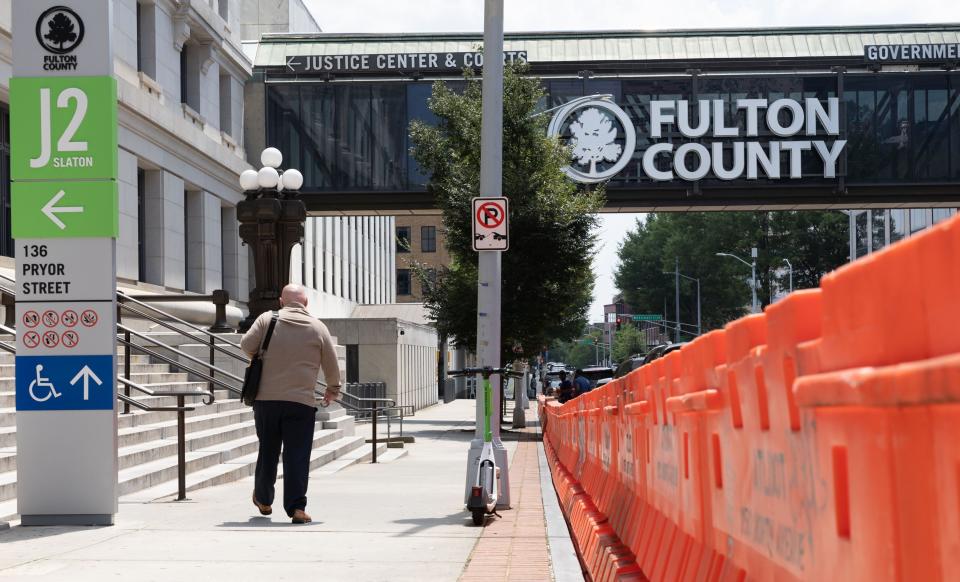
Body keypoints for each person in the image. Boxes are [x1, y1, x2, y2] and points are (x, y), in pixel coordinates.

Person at [240, 284, 342, 524]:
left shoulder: (267, 319)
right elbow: (331, 363)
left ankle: (264, 499)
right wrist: (332, 389)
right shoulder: (318, 327)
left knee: (268, 450)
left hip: (266, 401)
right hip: (301, 403)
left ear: (281, 302)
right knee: (297, 455)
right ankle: (296, 508)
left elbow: (246, 345)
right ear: (306, 303)